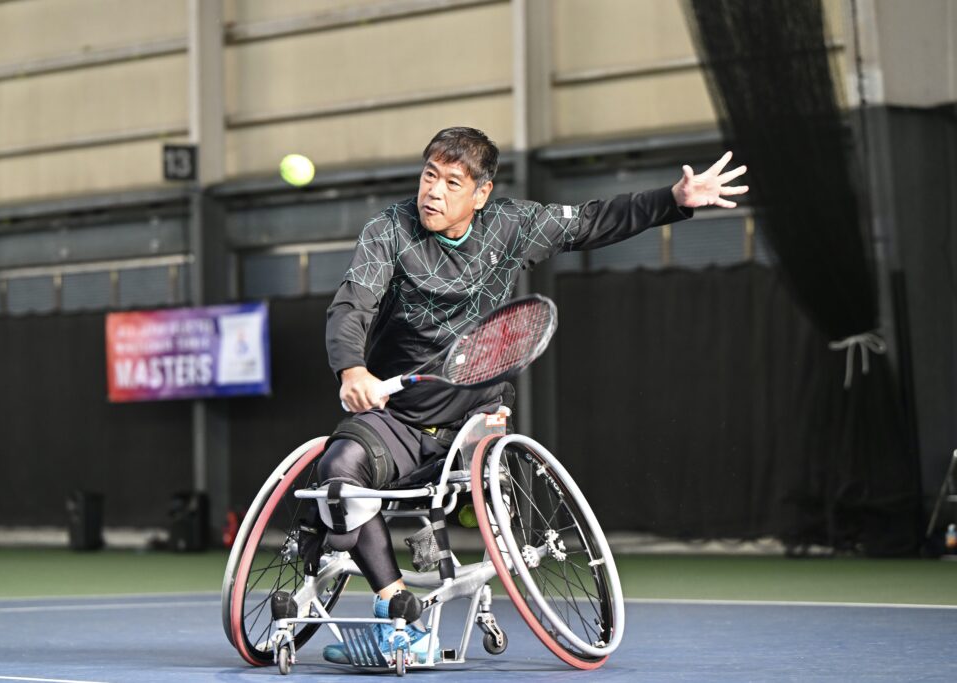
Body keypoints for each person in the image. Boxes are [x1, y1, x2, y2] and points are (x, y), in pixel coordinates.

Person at [317, 126, 747, 665]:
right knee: (338, 467)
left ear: (481, 193)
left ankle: (453, 519)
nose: (434, 192)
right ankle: (396, 614)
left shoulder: (512, 225)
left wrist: (673, 199)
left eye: (452, 183)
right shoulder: (388, 231)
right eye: (429, 176)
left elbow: (591, 220)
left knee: (462, 480)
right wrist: (352, 369)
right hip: (398, 413)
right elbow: (352, 303)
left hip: (474, 414)